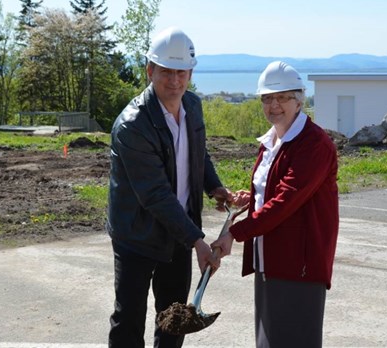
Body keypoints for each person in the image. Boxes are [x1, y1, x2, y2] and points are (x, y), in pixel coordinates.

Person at [106, 26, 230, 348]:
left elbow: (196, 151)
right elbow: (155, 194)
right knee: (129, 319)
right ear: (150, 70)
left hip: (178, 232)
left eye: (181, 72)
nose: (174, 81)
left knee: (174, 319)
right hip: (137, 236)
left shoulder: (192, 106)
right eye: (166, 72)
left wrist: (214, 187)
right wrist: (197, 240)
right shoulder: (133, 125)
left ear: (190, 73)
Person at [211, 61, 339, 348]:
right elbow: (273, 192)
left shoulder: (314, 144)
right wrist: (251, 198)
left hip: (300, 266)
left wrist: (235, 233)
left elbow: (286, 200)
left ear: (299, 100)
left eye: (282, 97)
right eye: (267, 98)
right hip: (270, 260)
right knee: (269, 342)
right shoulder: (272, 141)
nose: (274, 105)